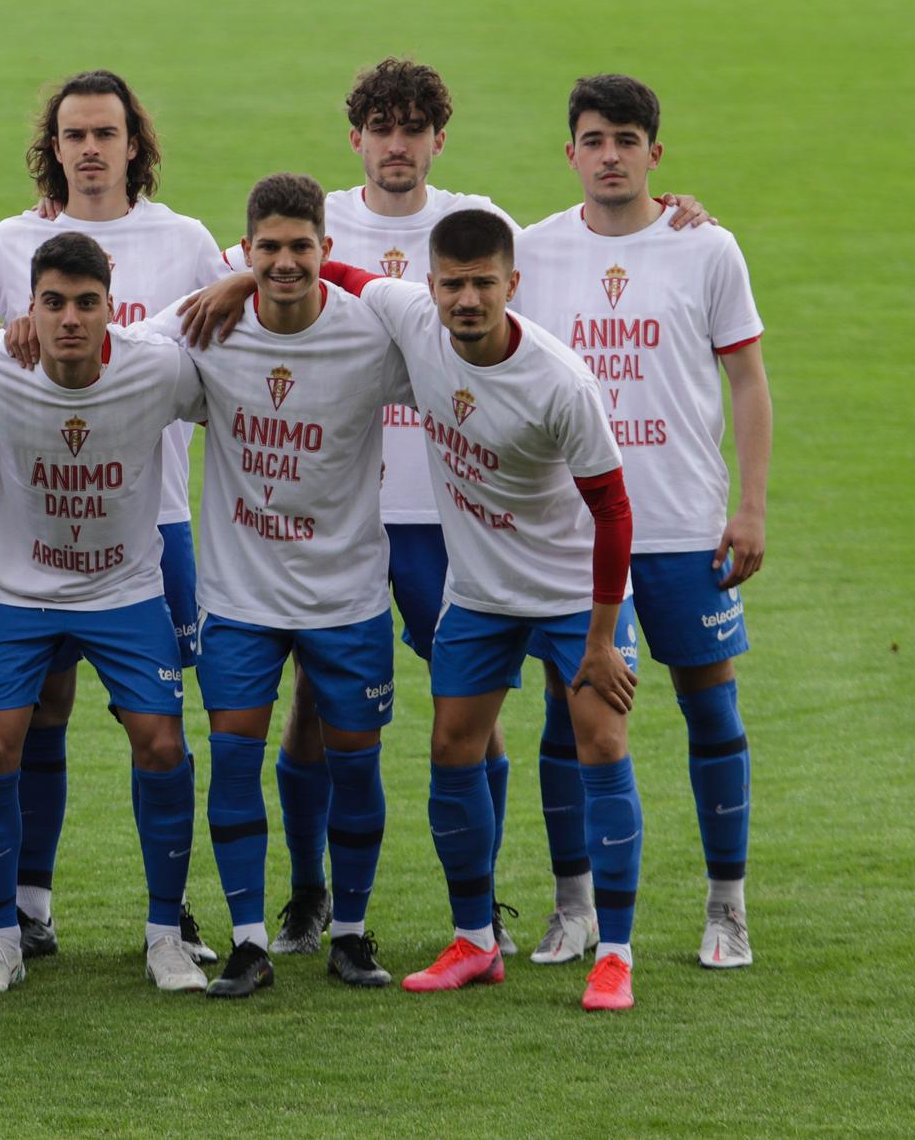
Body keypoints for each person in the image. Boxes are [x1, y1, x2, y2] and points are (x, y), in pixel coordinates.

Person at [177, 58, 710, 960]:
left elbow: (587, 247)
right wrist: (237, 278)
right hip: (329, 516)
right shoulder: (317, 225)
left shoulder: (484, 224)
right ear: (356, 139)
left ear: (437, 139)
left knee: (481, 711)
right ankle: (310, 898)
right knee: (313, 701)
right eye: (381, 127)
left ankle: (494, 905)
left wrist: (681, 217)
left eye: (413, 127)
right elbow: (275, 263)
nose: (397, 143)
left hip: (442, 518)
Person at [0, 68, 231, 964]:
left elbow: (239, 328)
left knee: (159, 726)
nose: (88, 149)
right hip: (36, 535)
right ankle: (28, 906)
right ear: (54, 147)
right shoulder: (14, 240)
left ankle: (175, 915)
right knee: (35, 716)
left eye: (105, 134)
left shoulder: (187, 238)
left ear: (133, 145)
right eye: (73, 135)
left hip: (150, 526)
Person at [319, 211, 646, 1012]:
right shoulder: (412, 316)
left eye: (483, 284)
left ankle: (614, 952)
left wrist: (602, 638)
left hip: (574, 593)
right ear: (431, 285)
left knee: (601, 741)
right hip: (480, 592)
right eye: (454, 284)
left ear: (512, 286)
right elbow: (342, 276)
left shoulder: (559, 381)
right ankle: (475, 939)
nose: (467, 299)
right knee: (451, 746)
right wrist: (238, 280)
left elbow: (613, 511)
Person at [513, 74, 770, 969]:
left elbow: (747, 380)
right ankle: (573, 906)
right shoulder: (531, 250)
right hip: (575, 537)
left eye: (627, 138)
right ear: (571, 151)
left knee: (712, 709)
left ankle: (726, 907)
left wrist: (749, 505)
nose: (610, 154)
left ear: (655, 153)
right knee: (569, 720)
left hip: (683, 526)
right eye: (594, 138)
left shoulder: (708, 249)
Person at [141, 174, 412, 997]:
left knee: (358, 767)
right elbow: (111, 354)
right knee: (232, 761)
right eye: (269, 249)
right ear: (244, 250)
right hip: (242, 596)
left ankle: (353, 932)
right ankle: (250, 941)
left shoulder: (372, 333)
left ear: (329, 251)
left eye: (301, 247)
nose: (286, 263)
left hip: (348, 594)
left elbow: (459, 342)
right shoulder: (207, 327)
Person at [0, 233, 210, 996]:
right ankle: (0, 936)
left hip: (124, 590)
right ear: (31, 306)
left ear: (112, 306)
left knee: (160, 743)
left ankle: (165, 934)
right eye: (53, 302)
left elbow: (237, 406)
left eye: (86, 302)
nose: (70, 318)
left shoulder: (158, 365)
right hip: (15, 593)